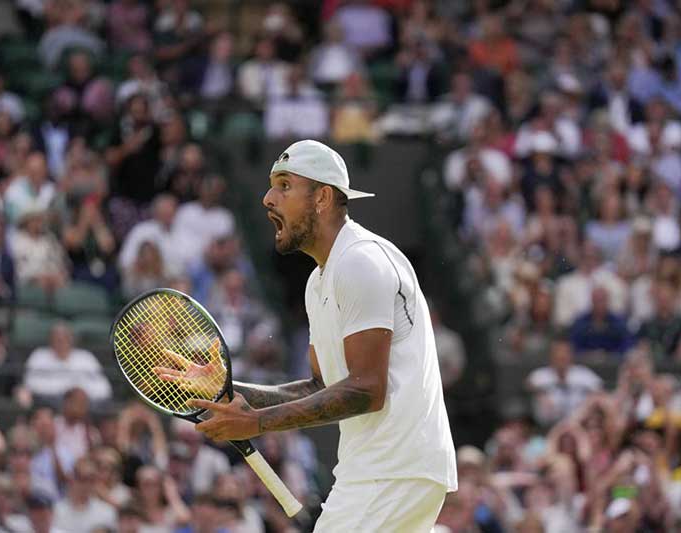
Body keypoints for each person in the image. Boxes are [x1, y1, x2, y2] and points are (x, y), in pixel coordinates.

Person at [156, 140, 457, 531]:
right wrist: (230, 389)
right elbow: (321, 386)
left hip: (393, 467)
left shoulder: (360, 262)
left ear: (323, 198)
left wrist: (258, 422)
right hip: (376, 468)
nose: (267, 199)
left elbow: (367, 389)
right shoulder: (318, 282)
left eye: (284, 185)